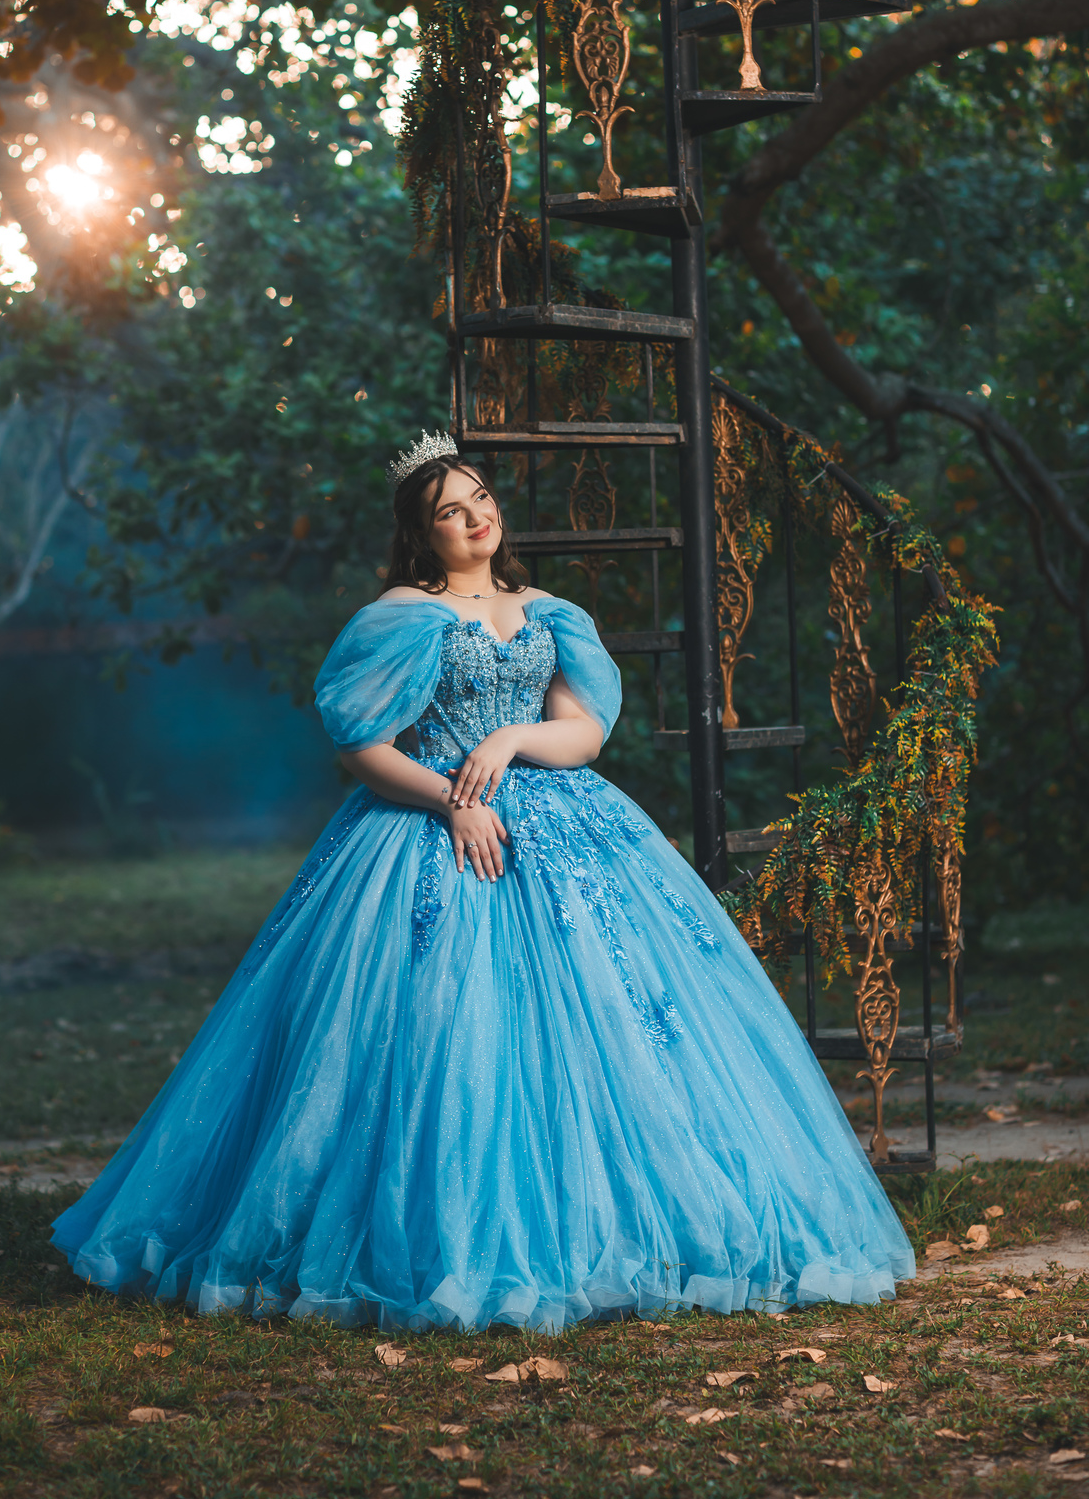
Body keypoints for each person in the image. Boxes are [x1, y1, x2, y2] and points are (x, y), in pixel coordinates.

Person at [51, 430, 915, 1332]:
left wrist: (509, 740)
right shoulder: (400, 614)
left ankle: (627, 1225)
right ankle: (441, 1239)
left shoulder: (547, 610)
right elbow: (359, 745)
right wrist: (452, 801)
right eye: (449, 512)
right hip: (432, 827)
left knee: (616, 1020)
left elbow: (583, 734)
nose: (475, 518)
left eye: (480, 499)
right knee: (437, 1036)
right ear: (422, 535)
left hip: (567, 823)